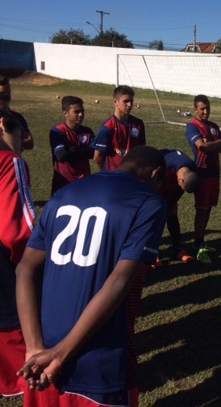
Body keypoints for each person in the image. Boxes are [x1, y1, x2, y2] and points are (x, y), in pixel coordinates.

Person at [16, 146, 167, 407]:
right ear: (155, 173)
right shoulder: (148, 201)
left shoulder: (63, 194)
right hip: (98, 357)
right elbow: (119, 281)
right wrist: (60, 355)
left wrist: (34, 348)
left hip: (41, 354)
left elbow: (25, 269)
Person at [0, 111, 35, 398]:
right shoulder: (10, 162)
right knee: (12, 313)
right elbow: (17, 230)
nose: (23, 142)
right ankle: (13, 381)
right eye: (22, 134)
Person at [186, 94, 221, 263]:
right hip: (201, 173)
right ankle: (198, 243)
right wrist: (217, 142)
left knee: (209, 208)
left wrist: (214, 143)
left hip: (214, 172)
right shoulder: (192, 126)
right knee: (201, 209)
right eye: (202, 109)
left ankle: (202, 239)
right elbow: (201, 147)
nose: (205, 112)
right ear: (195, 109)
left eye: (207, 108)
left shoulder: (213, 126)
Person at [158, 149, 200, 264]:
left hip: (172, 180)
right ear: (181, 180)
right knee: (156, 216)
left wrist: (170, 203)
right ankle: (153, 252)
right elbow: (151, 185)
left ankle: (176, 250)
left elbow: (180, 190)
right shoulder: (163, 167)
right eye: (182, 185)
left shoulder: (193, 170)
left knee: (172, 213)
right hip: (157, 184)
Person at [92, 85, 146, 171]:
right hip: (113, 176)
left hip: (132, 174)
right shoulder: (107, 127)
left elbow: (141, 150)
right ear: (115, 102)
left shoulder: (138, 124)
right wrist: (105, 174)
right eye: (126, 101)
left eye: (131, 101)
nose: (130, 105)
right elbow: (97, 157)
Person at [50, 96, 95, 194]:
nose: (81, 114)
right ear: (65, 113)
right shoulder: (58, 131)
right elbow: (61, 155)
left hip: (84, 183)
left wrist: (73, 150)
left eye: (82, 111)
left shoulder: (87, 132)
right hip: (63, 184)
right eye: (76, 112)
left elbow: (94, 153)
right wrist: (83, 151)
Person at [0, 74, 34, 150]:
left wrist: (13, 140)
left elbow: (30, 143)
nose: (6, 96)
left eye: (8, 93)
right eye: (2, 94)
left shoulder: (17, 117)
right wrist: (17, 137)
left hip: (14, 161)